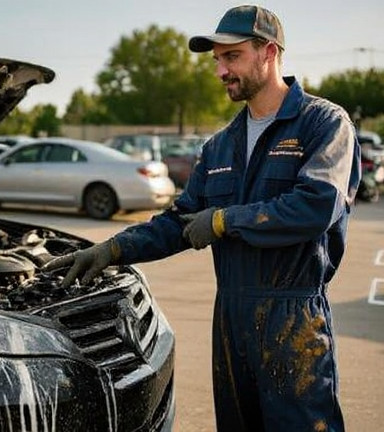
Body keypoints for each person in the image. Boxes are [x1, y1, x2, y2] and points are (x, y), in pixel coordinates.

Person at [44, 5, 360, 432]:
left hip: (293, 319)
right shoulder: (220, 146)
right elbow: (179, 222)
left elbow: (316, 206)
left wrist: (225, 220)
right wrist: (113, 249)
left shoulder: (322, 124)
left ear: (268, 52)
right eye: (216, 60)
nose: (220, 71)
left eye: (231, 57)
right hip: (231, 319)